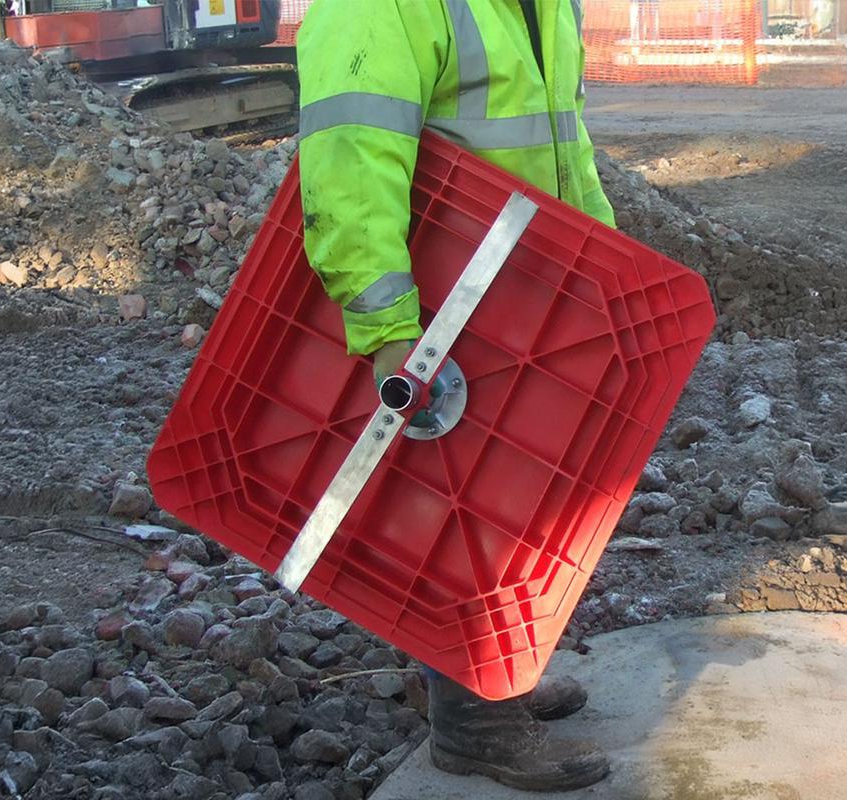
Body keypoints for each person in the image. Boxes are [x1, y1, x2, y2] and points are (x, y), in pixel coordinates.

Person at [296, 0, 614, 791]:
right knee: (463, 509)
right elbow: (350, 158)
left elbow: (564, 146)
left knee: (515, 500)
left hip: (523, 297)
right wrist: (389, 329)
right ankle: (474, 723)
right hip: (447, 302)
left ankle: (498, 675)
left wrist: (604, 273)